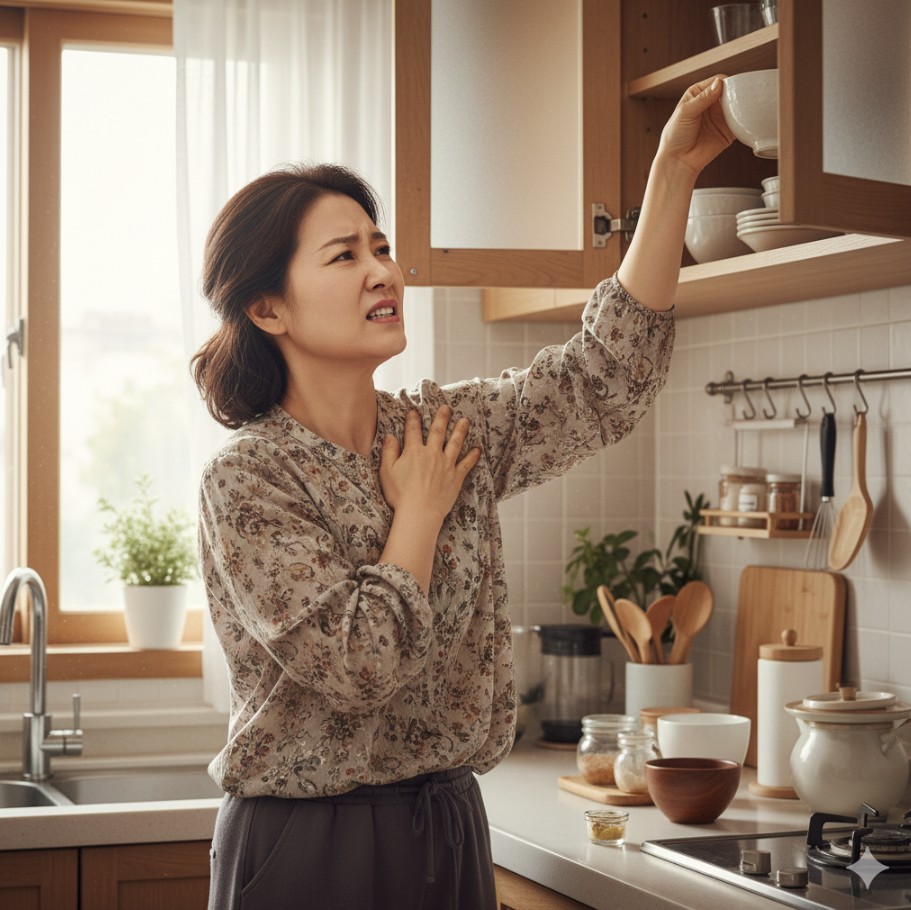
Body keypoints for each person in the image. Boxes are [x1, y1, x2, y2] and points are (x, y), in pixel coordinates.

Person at [193, 75, 734, 910]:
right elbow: (358, 661)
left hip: (447, 824)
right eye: (345, 256)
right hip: (307, 845)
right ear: (268, 309)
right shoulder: (249, 478)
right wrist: (418, 513)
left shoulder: (443, 430)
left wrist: (671, 172)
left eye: (380, 247)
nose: (382, 270)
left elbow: (605, 377)